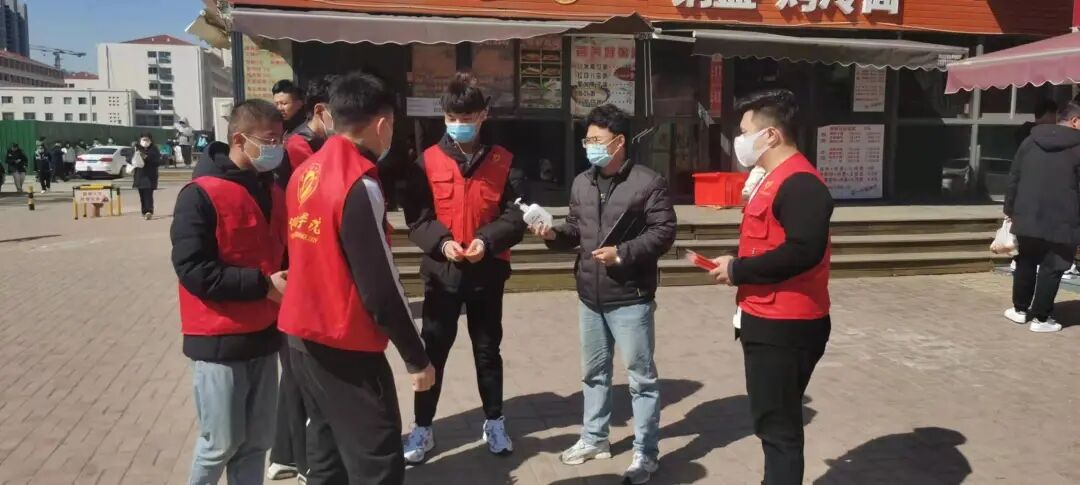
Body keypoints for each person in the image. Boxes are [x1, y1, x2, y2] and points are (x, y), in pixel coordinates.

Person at [277, 72, 435, 485]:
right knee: (377, 462)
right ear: (382, 124)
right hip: (344, 343)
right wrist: (415, 355)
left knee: (327, 453)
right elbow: (381, 285)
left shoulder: (304, 173)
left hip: (301, 336)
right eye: (393, 126)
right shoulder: (357, 184)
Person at [529, 104, 676, 484]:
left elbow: (663, 232)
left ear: (619, 141)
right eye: (587, 140)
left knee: (641, 379)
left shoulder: (648, 182)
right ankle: (595, 438)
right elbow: (575, 230)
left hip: (630, 296)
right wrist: (552, 233)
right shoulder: (582, 182)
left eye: (596, 140)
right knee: (593, 374)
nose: (590, 146)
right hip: (590, 296)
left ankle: (646, 451)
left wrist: (622, 253)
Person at [706, 90, 833, 485]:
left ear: (772, 135)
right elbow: (771, 243)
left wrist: (739, 269)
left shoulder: (800, 183)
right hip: (764, 317)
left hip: (785, 324)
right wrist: (735, 260)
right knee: (772, 420)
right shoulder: (771, 179)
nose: (740, 141)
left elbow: (803, 251)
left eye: (746, 132)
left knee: (778, 428)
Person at [400, 72, 527, 464]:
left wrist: (486, 241)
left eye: (468, 117)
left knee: (488, 350)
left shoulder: (504, 160)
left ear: (483, 115)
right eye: (453, 117)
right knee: (433, 352)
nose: (460, 124)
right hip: (443, 273)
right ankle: (423, 428)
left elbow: (516, 215)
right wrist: (442, 243)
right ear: (444, 117)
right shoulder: (426, 162)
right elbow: (417, 218)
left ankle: (494, 421)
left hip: (487, 271)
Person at [170, 99, 289, 485]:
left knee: (257, 443)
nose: (277, 148)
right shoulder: (199, 194)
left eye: (281, 139)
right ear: (239, 139)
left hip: (264, 337)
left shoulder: (272, 191)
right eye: (269, 140)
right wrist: (263, 285)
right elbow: (192, 270)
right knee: (219, 444)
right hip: (218, 341)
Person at [265, 75, 336, 482]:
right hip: (298, 270)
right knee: (300, 368)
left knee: (295, 368)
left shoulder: (306, 146)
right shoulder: (298, 149)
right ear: (321, 111)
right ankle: (304, 459)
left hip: (300, 267)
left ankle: (286, 454)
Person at [1003, 100, 1080, 333]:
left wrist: (1009, 210)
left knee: (1026, 260)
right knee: (1053, 266)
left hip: (1027, 214)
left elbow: (1014, 177)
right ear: (1075, 121)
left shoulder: (1029, 142)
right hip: (1064, 219)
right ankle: (1041, 318)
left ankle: (1019, 310)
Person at [133, 133, 162, 220]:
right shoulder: (137, 148)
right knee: (142, 195)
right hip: (139, 175)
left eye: (147, 139)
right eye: (143, 139)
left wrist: (146, 157)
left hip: (150, 176)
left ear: (150, 140)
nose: (145, 141)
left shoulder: (154, 149)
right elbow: (128, 157)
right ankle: (144, 211)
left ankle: (149, 211)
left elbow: (157, 162)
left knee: (148, 194)